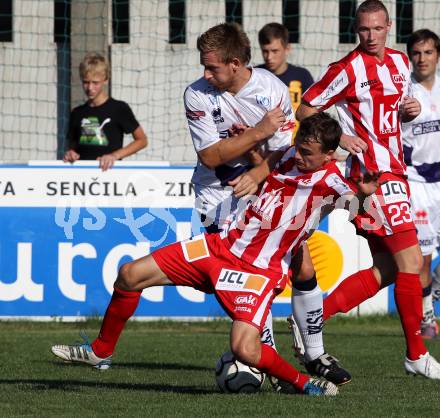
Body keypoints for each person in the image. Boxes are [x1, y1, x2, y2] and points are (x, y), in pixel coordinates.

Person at [51, 112, 380, 395]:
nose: (299, 155)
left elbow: (356, 206)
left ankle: (303, 383)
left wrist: (364, 196)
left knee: (244, 348)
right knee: (129, 275)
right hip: (218, 247)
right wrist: (252, 147)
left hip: (258, 272)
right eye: (298, 146)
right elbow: (264, 162)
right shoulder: (285, 155)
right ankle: (100, 351)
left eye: (307, 153)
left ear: (327, 155)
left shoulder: (333, 182)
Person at [184, 23, 349, 386]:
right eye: (204, 66)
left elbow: (282, 149)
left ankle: (315, 354)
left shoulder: (270, 89)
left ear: (236, 63)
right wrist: (257, 132)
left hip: (263, 191)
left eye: (212, 67)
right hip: (218, 198)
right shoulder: (197, 94)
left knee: (302, 263)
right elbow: (211, 156)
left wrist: (260, 174)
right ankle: (268, 359)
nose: (204, 74)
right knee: (247, 279)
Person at [296, 0, 440, 378]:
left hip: (395, 171)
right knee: (411, 264)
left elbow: (393, 113)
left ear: (388, 27)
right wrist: (340, 134)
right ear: (355, 29)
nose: (371, 36)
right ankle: (416, 354)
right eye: (364, 30)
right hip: (373, 178)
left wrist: (406, 111)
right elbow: (305, 109)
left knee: (388, 270)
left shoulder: (398, 63)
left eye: (377, 29)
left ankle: (311, 319)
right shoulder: (344, 69)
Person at [402, 29, 440, 339]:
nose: (422, 58)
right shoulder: (404, 92)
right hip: (417, 183)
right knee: (423, 257)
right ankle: (427, 315)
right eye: (416, 53)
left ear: (437, 55)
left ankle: (434, 291)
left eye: (428, 52)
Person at [63, 53, 147, 171]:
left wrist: (115, 155)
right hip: (82, 177)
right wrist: (71, 153)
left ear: (105, 80)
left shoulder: (119, 108)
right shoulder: (77, 113)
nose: (90, 88)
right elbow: (73, 146)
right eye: (86, 82)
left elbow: (142, 140)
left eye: (95, 82)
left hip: (110, 177)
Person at [257, 22, 314, 140]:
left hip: (295, 145)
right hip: (263, 145)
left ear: (287, 49)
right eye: (265, 51)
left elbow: (313, 116)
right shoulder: (256, 75)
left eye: (274, 51)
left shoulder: (302, 76)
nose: (269, 57)